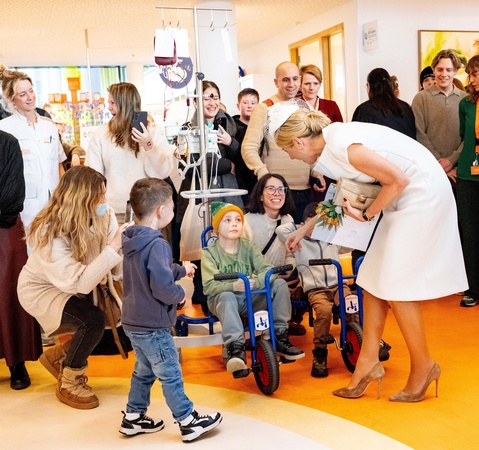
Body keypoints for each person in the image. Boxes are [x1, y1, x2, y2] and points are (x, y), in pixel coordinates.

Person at [274, 104, 467, 402]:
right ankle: (367, 363)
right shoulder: (334, 142)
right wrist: (304, 229)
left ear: (299, 142)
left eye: (288, 151)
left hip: (421, 195)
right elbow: (344, 196)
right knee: (371, 277)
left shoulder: (342, 145)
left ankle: (424, 366)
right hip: (402, 197)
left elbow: (398, 179)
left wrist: (367, 215)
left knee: (397, 286)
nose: (291, 157)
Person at [17, 166, 132, 409]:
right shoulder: (50, 231)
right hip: (42, 290)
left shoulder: (104, 214)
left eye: (104, 193)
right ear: (82, 199)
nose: (105, 201)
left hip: (76, 283)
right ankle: (69, 381)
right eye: (99, 196)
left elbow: (113, 263)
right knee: (92, 321)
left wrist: (119, 258)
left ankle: (58, 356)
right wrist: (113, 247)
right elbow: (80, 282)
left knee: (113, 327)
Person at [119, 177, 222, 442]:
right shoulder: (158, 244)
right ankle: (188, 420)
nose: (173, 212)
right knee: (170, 372)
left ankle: (134, 416)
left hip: (133, 321)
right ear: (160, 211)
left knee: (144, 371)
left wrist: (180, 270)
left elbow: (149, 271)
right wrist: (179, 296)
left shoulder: (132, 239)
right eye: (173, 208)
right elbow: (161, 286)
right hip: (153, 324)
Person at [202, 201, 304, 375]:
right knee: (227, 295)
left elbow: (268, 270)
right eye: (228, 220)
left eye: (238, 220)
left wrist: (256, 282)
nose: (234, 224)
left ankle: (279, 334)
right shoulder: (209, 252)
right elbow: (209, 286)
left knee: (279, 284)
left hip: (250, 297)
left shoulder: (248, 246)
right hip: (224, 301)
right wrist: (233, 285)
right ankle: (236, 348)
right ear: (217, 227)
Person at [176, 80, 243, 309]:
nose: (212, 102)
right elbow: (191, 163)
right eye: (206, 97)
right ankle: (202, 290)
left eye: (215, 96)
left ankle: (227, 287)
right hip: (201, 191)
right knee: (202, 238)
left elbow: (243, 158)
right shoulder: (188, 127)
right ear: (196, 101)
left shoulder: (230, 125)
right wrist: (225, 164)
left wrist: (230, 143)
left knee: (227, 235)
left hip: (228, 192)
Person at [277, 202, 358, 378]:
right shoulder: (297, 240)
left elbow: (351, 242)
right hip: (316, 289)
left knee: (351, 305)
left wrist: (336, 227)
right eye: (310, 226)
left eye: (319, 227)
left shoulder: (330, 238)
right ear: (303, 225)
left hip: (338, 285)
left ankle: (360, 339)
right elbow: (280, 230)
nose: (314, 231)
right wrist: (303, 230)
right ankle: (320, 353)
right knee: (324, 311)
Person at [85, 82, 175, 225]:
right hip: (114, 214)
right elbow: (92, 177)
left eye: (113, 103)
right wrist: (97, 210)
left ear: (126, 104)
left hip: (149, 212)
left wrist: (148, 145)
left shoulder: (152, 131)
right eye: (109, 102)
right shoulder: (101, 135)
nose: (109, 107)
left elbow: (163, 172)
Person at [241, 61, 317, 223]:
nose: (291, 84)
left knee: (299, 237)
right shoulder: (264, 108)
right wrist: (263, 172)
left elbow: (312, 146)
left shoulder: (306, 109)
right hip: (274, 193)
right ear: (276, 82)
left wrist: (316, 172)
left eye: (295, 79)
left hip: (303, 190)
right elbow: (248, 147)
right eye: (285, 80)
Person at [0, 130, 42, 390]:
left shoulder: (8, 142)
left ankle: (17, 362)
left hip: (5, 227)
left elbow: (14, 194)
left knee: (10, 294)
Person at [0, 65, 66, 229]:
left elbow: (59, 164)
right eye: (22, 94)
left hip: (55, 206)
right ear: (11, 99)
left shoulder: (49, 126)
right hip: (25, 211)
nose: (30, 97)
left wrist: (65, 196)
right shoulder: (5, 128)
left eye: (31, 91)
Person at [243, 173, 306, 336]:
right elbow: (242, 259)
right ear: (261, 195)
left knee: (310, 277)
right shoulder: (247, 221)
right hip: (256, 278)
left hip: (281, 275)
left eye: (281, 189)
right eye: (271, 189)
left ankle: (285, 325)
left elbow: (290, 254)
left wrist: (288, 270)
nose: (277, 193)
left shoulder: (287, 219)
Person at [412, 49, 467, 186]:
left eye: (449, 70)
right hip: (429, 171)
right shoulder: (420, 98)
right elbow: (419, 133)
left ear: (455, 71)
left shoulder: (466, 100)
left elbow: (469, 136)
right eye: (440, 69)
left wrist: (452, 161)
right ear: (434, 70)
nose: (444, 74)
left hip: (459, 171)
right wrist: (439, 164)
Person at [298, 64, 343, 202]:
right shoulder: (294, 107)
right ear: (300, 85)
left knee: (327, 204)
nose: (311, 88)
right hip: (302, 163)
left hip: (328, 161)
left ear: (320, 84)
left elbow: (340, 135)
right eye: (307, 84)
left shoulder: (331, 106)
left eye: (315, 83)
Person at [456, 55, 479, 307]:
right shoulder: (465, 104)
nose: (471, 80)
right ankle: (473, 288)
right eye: (469, 74)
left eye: (475, 74)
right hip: (467, 174)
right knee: (469, 233)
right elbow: (464, 135)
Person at [353, 68, 416, 144]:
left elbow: (355, 143)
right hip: (405, 151)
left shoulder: (363, 110)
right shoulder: (405, 108)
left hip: (376, 152)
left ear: (369, 86)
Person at [232, 87, 260, 202]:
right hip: (239, 175)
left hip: (256, 174)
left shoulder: (261, 128)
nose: (249, 106)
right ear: (238, 106)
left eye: (253, 103)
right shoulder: (233, 128)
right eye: (245, 103)